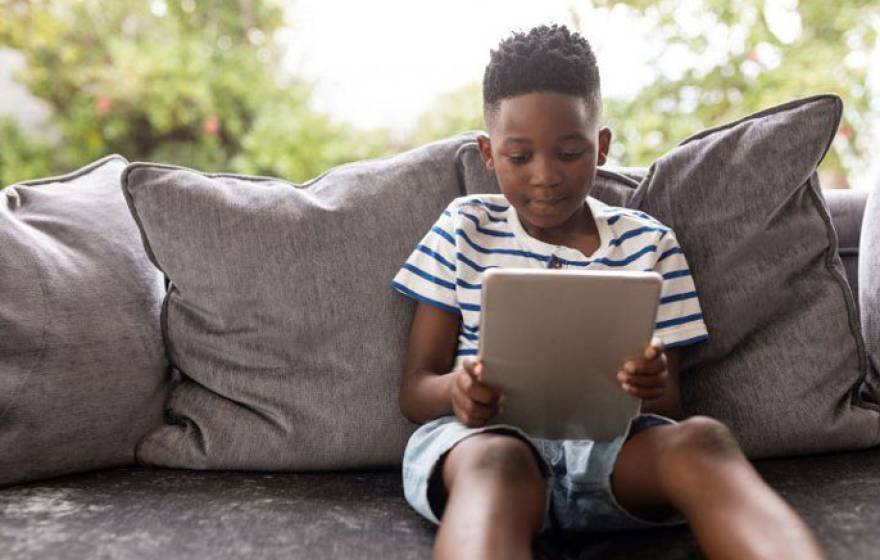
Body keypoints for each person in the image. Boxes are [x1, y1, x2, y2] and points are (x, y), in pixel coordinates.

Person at [390, 24, 825, 560]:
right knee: (497, 466)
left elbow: (665, 403)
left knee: (703, 439)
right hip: (483, 447)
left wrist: (650, 379)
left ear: (601, 146)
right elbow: (415, 390)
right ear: (488, 152)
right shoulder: (464, 227)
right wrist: (457, 390)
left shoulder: (649, 243)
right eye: (519, 157)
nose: (545, 176)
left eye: (569, 153)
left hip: (612, 455)